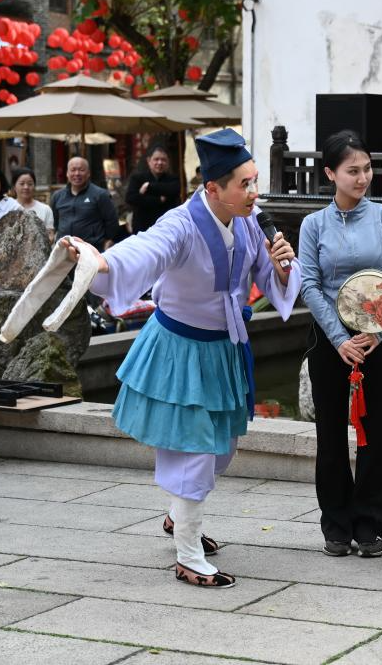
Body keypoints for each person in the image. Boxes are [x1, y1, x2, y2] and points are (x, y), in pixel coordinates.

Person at [59, 128, 300, 588]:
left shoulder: (250, 219)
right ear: (213, 188)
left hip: (224, 348)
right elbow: (145, 248)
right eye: (245, 184)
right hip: (181, 350)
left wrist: (282, 267)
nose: (254, 192)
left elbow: (270, 279)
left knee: (222, 449)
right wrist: (103, 263)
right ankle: (188, 555)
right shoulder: (181, 223)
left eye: (254, 181)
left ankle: (179, 514)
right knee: (196, 453)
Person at [299, 130, 382, 559]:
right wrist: (340, 339)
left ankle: (369, 526)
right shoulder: (314, 224)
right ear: (330, 173)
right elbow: (310, 284)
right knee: (330, 436)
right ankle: (336, 526)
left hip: (377, 339)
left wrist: (377, 332)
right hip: (330, 341)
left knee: (373, 434)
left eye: (367, 169)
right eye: (352, 171)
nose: (363, 178)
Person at [50, 156, 119, 250]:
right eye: (73, 170)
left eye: (81, 170)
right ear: (67, 173)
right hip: (64, 249)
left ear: (88, 173)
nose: (77, 173)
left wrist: (108, 240)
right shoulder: (58, 196)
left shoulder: (100, 195)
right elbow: (54, 222)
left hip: (91, 248)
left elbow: (112, 221)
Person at [126, 145, 182, 232]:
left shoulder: (173, 179)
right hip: (143, 227)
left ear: (168, 162)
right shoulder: (137, 178)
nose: (160, 162)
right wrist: (158, 200)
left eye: (163, 160)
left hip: (166, 227)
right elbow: (131, 198)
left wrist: (149, 186)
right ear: (149, 161)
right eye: (156, 159)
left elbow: (173, 190)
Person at [11, 167, 55, 240]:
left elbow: (50, 236)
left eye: (30, 184)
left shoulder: (45, 209)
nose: (26, 187)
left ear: (34, 186)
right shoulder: (8, 208)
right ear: (14, 187)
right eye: (22, 184)